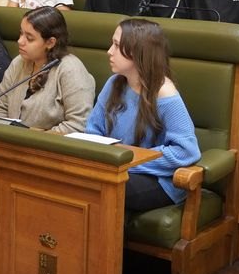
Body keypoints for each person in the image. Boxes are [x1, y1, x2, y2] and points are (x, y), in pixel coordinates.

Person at [85, 19, 201, 211]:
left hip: (158, 179)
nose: (109, 51)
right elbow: (92, 131)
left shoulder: (165, 93)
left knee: (105, 189)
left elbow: (186, 151)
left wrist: (128, 164)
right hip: (115, 170)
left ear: (137, 51)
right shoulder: (114, 83)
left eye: (116, 45)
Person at [0, 7, 95, 133]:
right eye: (20, 33)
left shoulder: (71, 70)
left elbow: (78, 124)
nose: (20, 41)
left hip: (49, 149)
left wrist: (36, 139)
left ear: (50, 42)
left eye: (29, 38)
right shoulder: (19, 62)